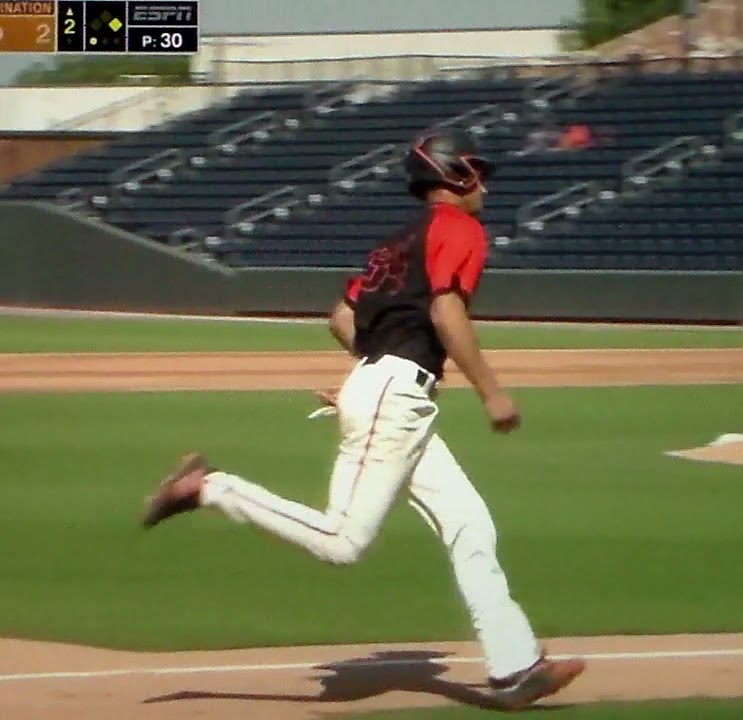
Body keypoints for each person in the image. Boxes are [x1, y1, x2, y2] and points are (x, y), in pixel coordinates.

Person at [139, 129, 586, 710]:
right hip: (394, 396)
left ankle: (515, 667)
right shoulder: (460, 229)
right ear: (454, 175)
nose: (485, 182)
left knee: (470, 527)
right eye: (477, 169)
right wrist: (490, 392)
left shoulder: (397, 243)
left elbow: (340, 317)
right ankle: (210, 488)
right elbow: (446, 308)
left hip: (391, 393)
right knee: (343, 542)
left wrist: (372, 373)